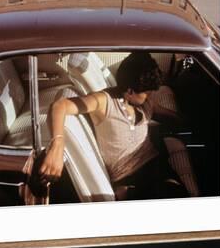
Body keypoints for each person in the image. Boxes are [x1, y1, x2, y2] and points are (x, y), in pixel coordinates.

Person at [39, 52, 198, 200]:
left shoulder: (144, 102)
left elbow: (165, 114)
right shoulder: (104, 101)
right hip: (129, 177)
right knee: (172, 195)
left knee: (178, 194)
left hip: (156, 165)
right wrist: (57, 145)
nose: (150, 96)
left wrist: (191, 122)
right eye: (147, 93)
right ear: (130, 91)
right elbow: (60, 106)